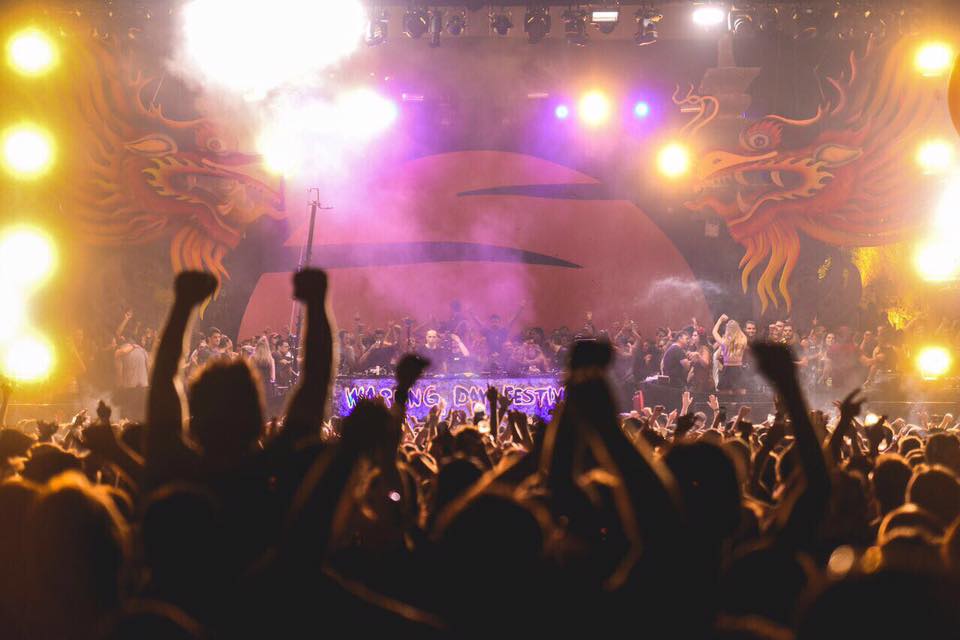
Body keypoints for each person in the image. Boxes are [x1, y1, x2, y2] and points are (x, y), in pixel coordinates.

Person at [114, 335, 149, 421]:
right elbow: (148, 367)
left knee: (128, 416)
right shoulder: (142, 351)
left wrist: (119, 386)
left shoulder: (120, 352)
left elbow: (119, 372)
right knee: (141, 414)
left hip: (130, 387)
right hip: (143, 386)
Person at [714, 315, 747, 393]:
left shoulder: (724, 342)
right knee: (741, 397)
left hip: (727, 370)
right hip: (738, 369)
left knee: (726, 398)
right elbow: (741, 333)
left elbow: (714, 332)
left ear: (727, 329)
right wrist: (736, 326)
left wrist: (720, 320)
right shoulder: (743, 340)